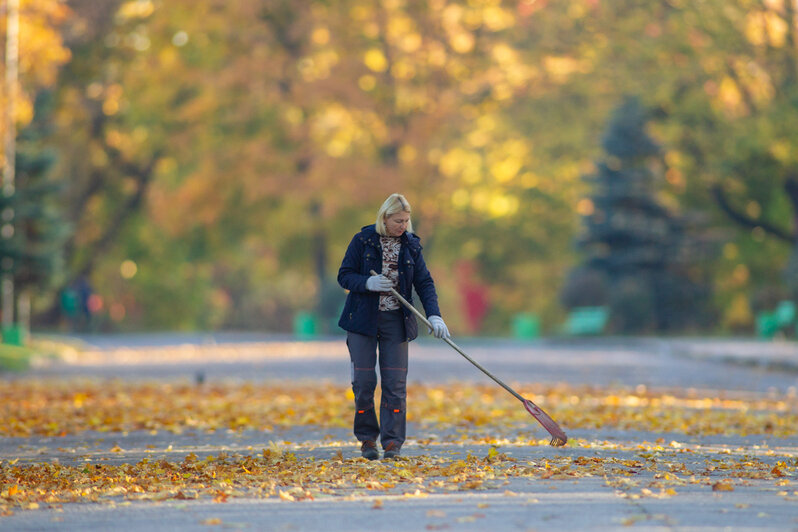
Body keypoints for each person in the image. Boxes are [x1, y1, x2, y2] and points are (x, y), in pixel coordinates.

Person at [337, 193, 450, 460]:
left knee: (395, 385)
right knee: (364, 383)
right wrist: (367, 283)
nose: (403, 226)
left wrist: (435, 315)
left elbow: (424, 283)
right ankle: (367, 441)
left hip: (396, 322)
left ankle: (392, 444)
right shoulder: (362, 240)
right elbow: (344, 275)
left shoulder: (411, 246)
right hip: (362, 322)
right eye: (398, 221)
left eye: (407, 221)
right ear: (384, 218)